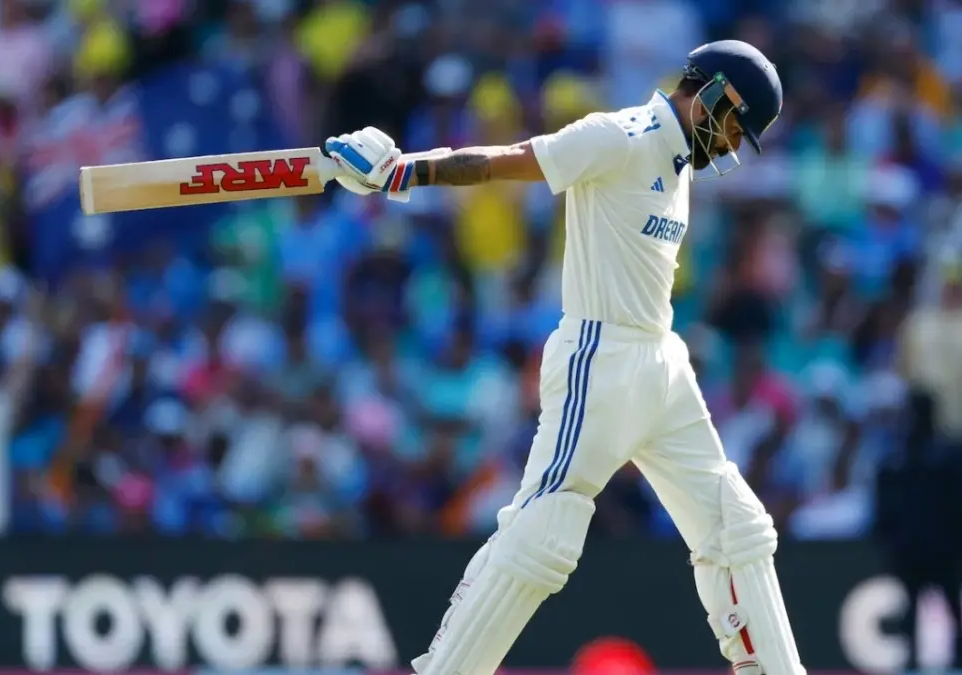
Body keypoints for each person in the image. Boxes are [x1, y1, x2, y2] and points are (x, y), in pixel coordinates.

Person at [324, 40, 805, 675]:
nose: (733, 147)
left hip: (662, 361)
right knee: (544, 533)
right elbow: (509, 161)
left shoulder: (677, 163)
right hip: (600, 355)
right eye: (737, 128)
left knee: (737, 528)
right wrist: (403, 172)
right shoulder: (621, 136)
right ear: (715, 93)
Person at [873, 389, 962, 670]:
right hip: (921, 548)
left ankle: (960, 654)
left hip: (938, 548)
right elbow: (885, 507)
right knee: (916, 605)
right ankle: (921, 656)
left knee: (951, 602)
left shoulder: (945, 457)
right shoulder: (897, 459)